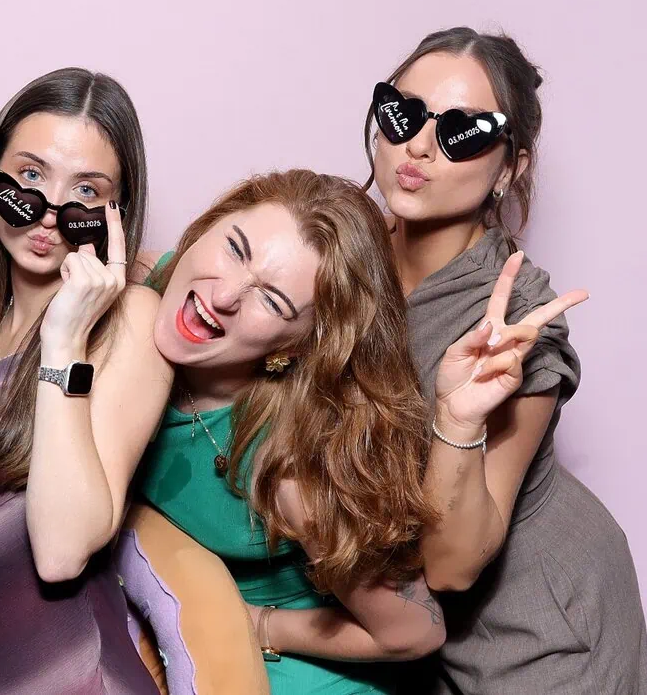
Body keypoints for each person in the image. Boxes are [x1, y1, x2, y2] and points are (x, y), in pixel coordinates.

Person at [366, 27, 647, 694]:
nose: (420, 145)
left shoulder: (518, 317)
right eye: (402, 114)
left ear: (511, 167)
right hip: (416, 631)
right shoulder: (345, 248)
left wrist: (458, 419)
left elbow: (456, 565)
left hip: (542, 633)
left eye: (463, 132)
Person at [120, 170, 447, 694]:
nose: (222, 295)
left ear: (292, 349)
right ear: (207, 226)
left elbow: (417, 631)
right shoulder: (158, 287)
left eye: (271, 301)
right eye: (234, 248)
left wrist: (259, 625)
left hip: (298, 672)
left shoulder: (288, 467)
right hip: (184, 620)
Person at [0, 67, 171, 694]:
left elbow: (61, 551)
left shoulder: (127, 321)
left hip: (67, 672)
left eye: (85, 191)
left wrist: (64, 339)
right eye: (29, 176)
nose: (48, 214)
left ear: (117, 212)